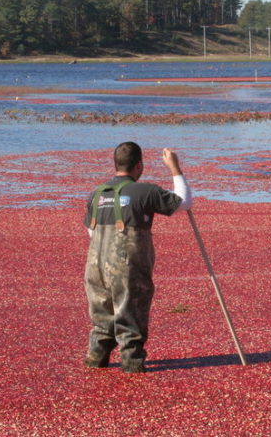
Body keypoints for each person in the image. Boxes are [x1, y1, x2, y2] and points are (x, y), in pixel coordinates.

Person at [83, 141, 192, 373]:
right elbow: (183, 203)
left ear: (116, 164)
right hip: (126, 266)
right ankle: (132, 367)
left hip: (95, 268)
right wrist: (175, 168)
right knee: (131, 316)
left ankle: (95, 362)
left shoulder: (97, 194)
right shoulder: (145, 191)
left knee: (102, 319)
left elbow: (91, 232)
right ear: (139, 165)